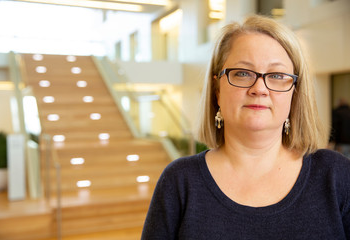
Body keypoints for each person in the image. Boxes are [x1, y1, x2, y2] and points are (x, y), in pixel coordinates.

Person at [141, 15, 350, 239]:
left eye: (277, 75)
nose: (259, 89)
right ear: (217, 90)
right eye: (242, 73)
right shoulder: (179, 181)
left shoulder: (337, 175)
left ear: (294, 93)